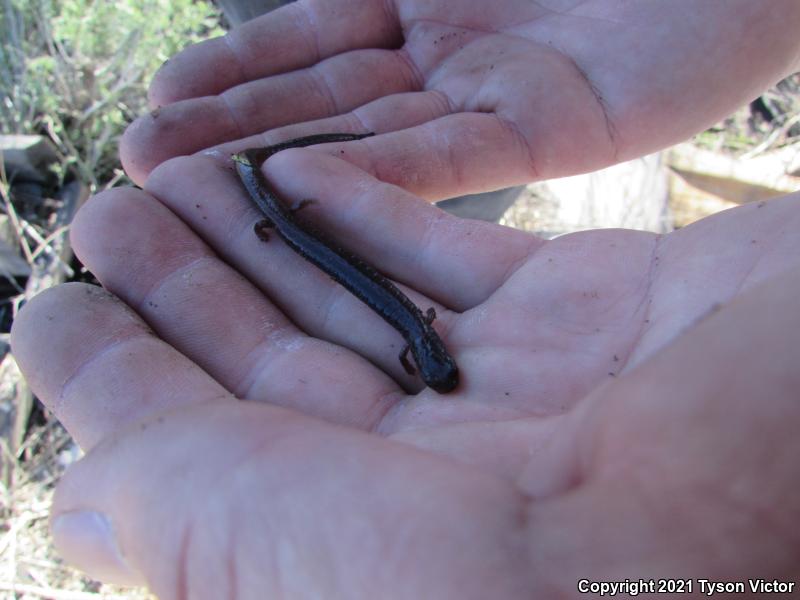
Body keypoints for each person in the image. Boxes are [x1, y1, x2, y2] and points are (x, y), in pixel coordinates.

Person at [11, 1, 800, 596]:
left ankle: (264, 172)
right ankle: (262, 172)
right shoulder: (424, 338)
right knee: (291, 220)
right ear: (429, 353)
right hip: (330, 211)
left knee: (297, 220)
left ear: (429, 356)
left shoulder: (424, 338)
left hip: (337, 223)